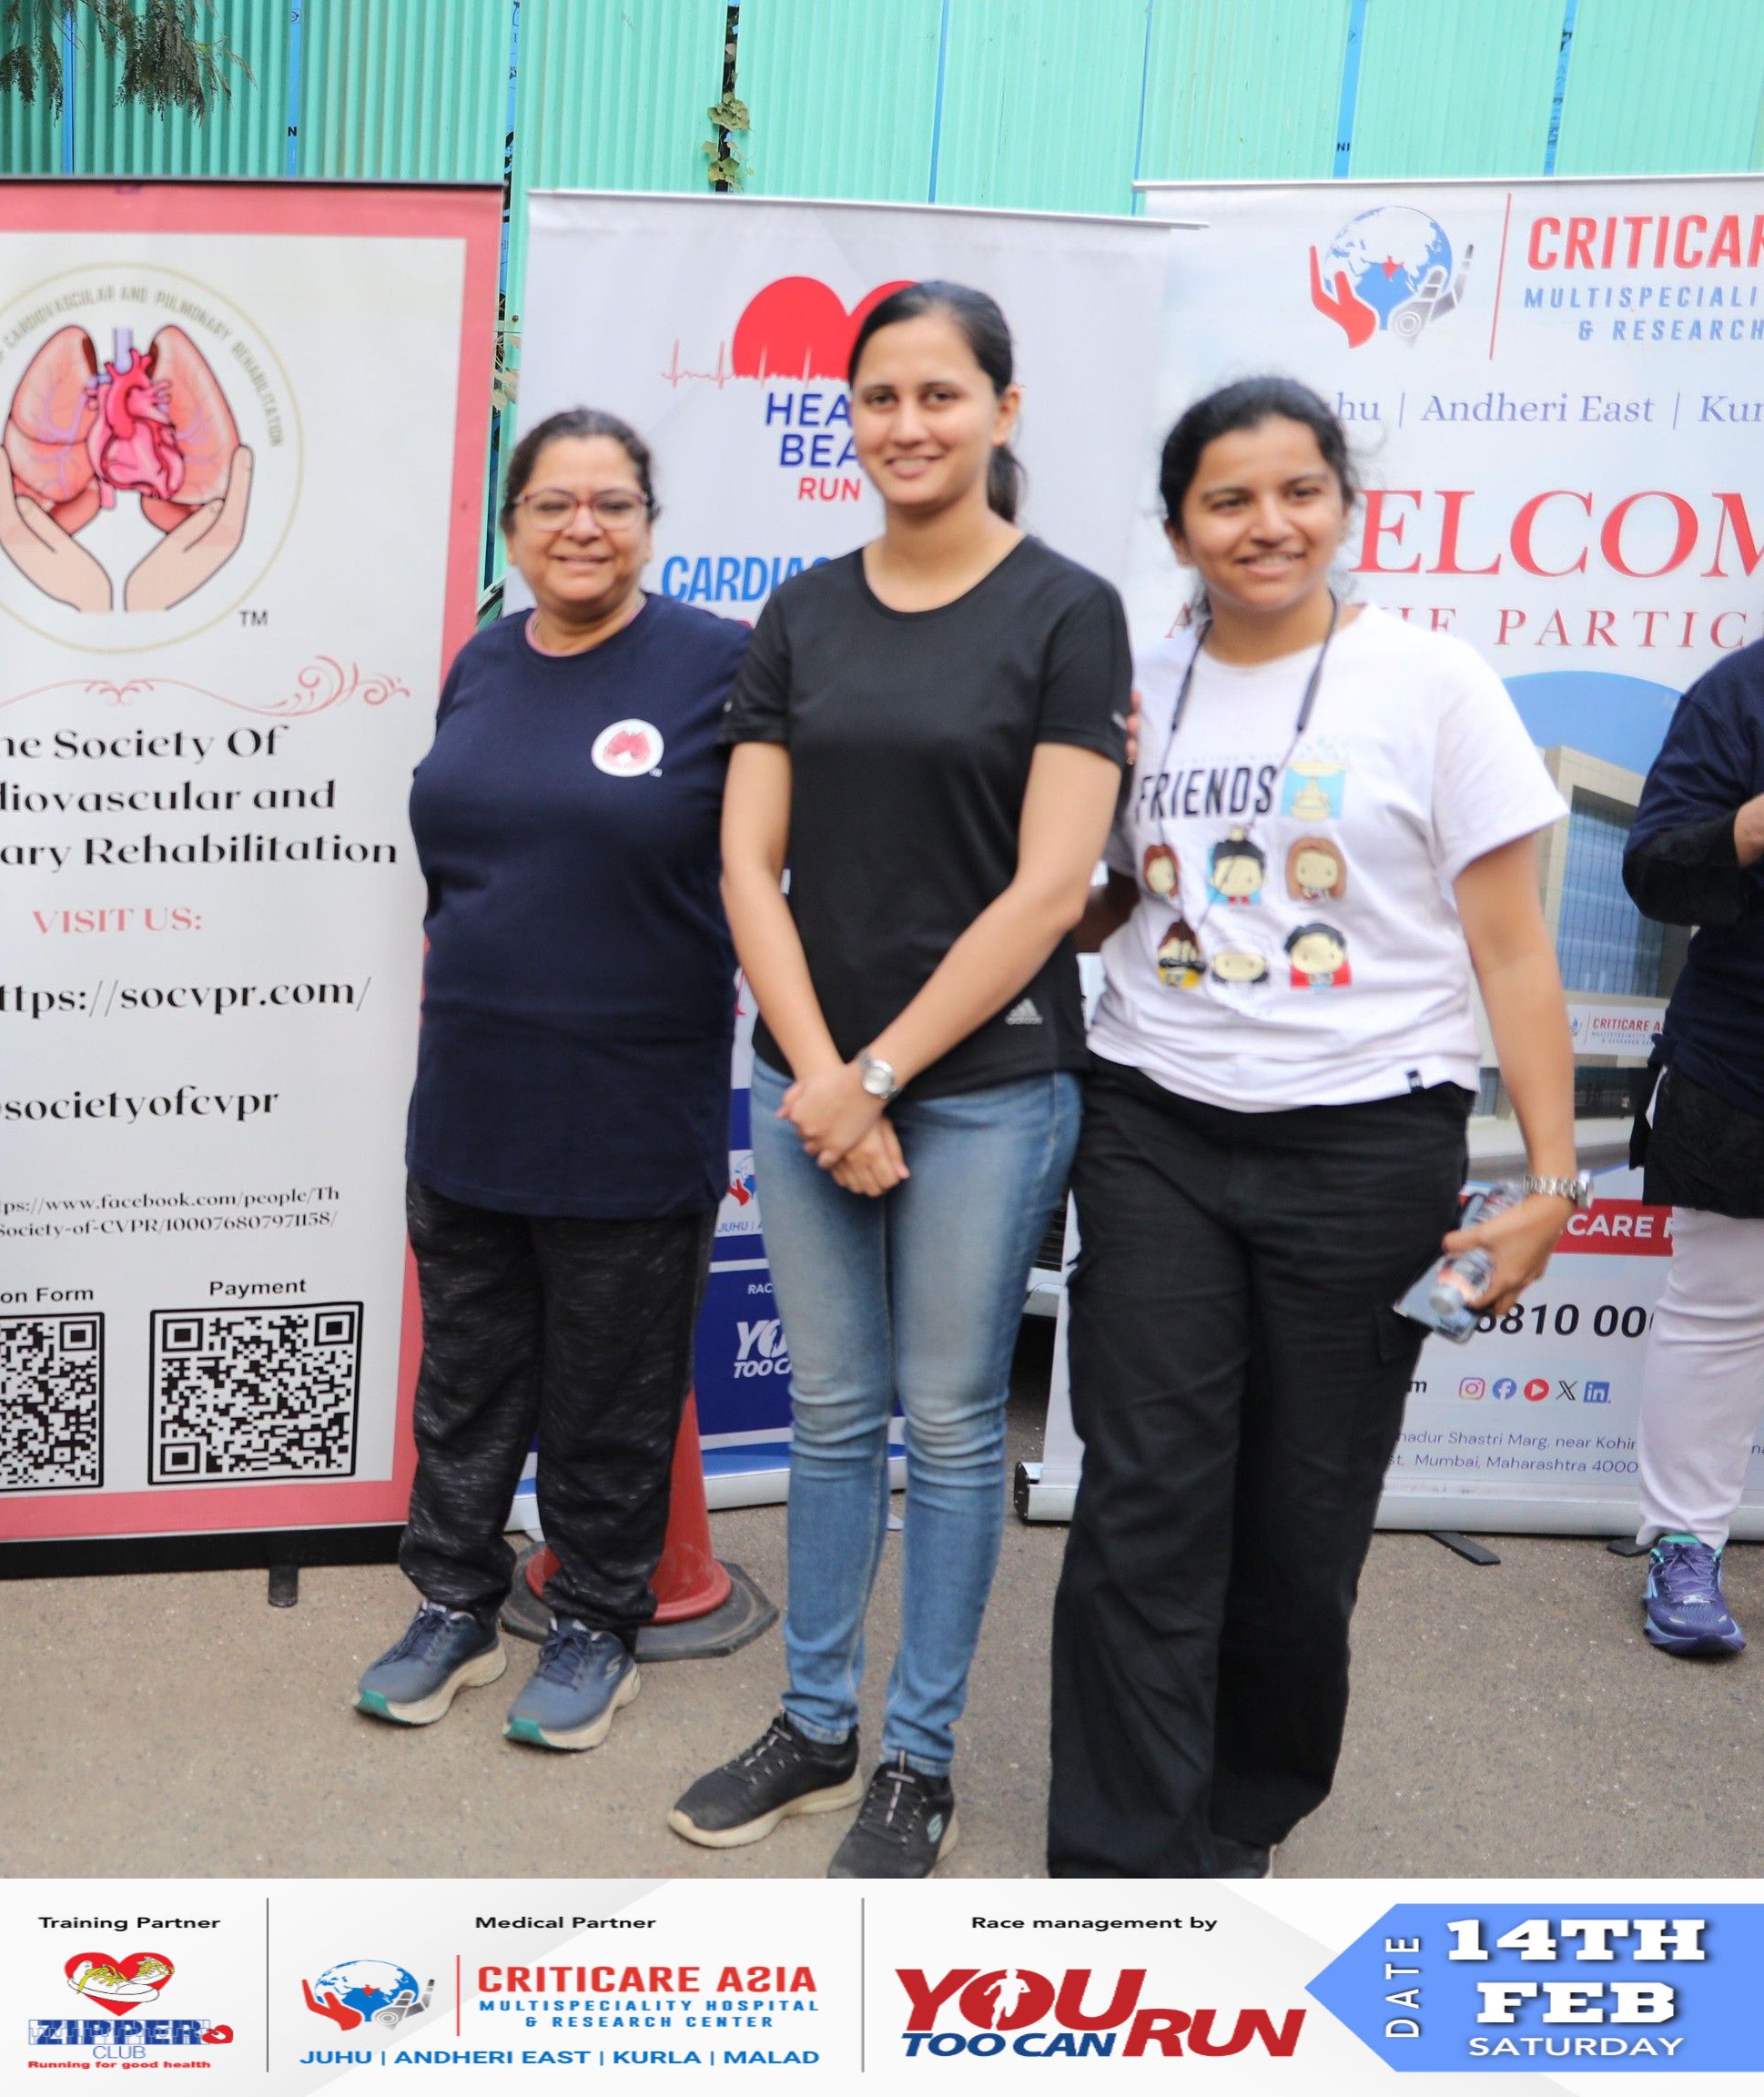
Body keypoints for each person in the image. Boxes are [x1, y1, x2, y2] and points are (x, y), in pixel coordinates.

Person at [1045, 377, 1581, 1877]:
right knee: (1143, 1499)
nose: (1266, 524)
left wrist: (1549, 1182)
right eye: (1227, 499)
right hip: (1155, 1125)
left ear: (1346, 506)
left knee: (1302, 1511)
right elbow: (1105, 897)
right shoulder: (1135, 687)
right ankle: (1118, 1867)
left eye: (1299, 491)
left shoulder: (1431, 682)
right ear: (1177, 529)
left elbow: (1513, 948)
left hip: (1366, 1149)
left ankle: (1241, 1811)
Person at [670, 282, 1127, 1877]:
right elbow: (748, 861)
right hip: (808, 1077)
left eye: (941, 394)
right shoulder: (802, 611)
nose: (908, 425)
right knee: (826, 1413)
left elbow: (1050, 889)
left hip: (987, 1086)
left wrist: (873, 1074)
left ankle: (918, 1760)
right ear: (848, 416)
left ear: (1003, 409)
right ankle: (816, 1722)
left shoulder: (1067, 611)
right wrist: (820, 1077)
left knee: (946, 1424)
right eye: (880, 397)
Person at [352, 406, 750, 1753]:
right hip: (472, 1092)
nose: (584, 527)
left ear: (649, 524)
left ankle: (595, 1623)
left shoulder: (718, 666)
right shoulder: (482, 662)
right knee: (465, 1382)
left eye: (613, 503)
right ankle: (452, 1605)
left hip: (632, 1106)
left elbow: (789, 851)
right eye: (553, 504)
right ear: (513, 526)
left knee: (613, 1393)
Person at [1623, 634, 1764, 1656]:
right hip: (1745, 1061)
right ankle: (1684, 1543)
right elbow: (1656, 870)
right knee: (1721, 1309)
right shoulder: (1743, 691)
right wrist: (1751, 829)